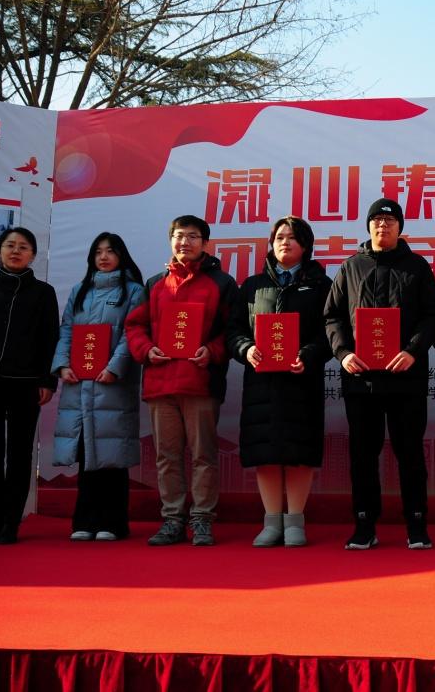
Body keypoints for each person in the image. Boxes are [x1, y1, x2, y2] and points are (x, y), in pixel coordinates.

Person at [323, 198, 435, 550]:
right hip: (361, 379)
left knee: (410, 453)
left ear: (400, 227)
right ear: (368, 226)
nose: (382, 225)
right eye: (376, 220)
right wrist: (343, 353)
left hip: (406, 377)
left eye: (389, 221)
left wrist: (412, 351)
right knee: (362, 455)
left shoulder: (417, 267)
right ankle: (364, 524)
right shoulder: (351, 267)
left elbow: (433, 315)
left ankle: (417, 523)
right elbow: (332, 316)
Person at [124, 214, 238, 546]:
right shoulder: (155, 283)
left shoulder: (221, 283)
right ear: (170, 240)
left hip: (200, 382)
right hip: (161, 384)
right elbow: (135, 326)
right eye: (178, 235)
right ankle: (172, 519)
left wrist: (211, 351)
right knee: (167, 457)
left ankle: (202, 519)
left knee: (204, 455)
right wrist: (147, 350)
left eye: (192, 236)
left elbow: (233, 330)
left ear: (205, 243)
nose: (184, 242)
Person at [227, 216, 332, 547]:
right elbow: (234, 331)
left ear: (306, 245)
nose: (285, 242)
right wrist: (247, 349)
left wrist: (309, 355)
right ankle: (271, 521)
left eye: (293, 237)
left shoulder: (321, 285)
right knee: (267, 452)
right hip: (262, 385)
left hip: (302, 381)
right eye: (279, 238)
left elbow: (331, 332)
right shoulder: (252, 286)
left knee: (299, 451)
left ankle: (296, 521)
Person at [0, 227, 59, 544]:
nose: (15, 251)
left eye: (23, 247)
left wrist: (47, 381)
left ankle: (11, 523)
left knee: (19, 454)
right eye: (10, 245)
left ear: (32, 255)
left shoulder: (43, 293)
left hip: (26, 384)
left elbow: (50, 339)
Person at [52, 233, 145, 541]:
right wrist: (62, 365)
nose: (103, 257)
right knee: (85, 452)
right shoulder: (80, 290)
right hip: (78, 384)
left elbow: (131, 335)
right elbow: (67, 330)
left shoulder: (133, 291)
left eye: (110, 251)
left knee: (111, 453)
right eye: (98, 252)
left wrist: (114, 368)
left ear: (122, 255)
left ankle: (113, 522)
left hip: (112, 385)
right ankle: (84, 521)